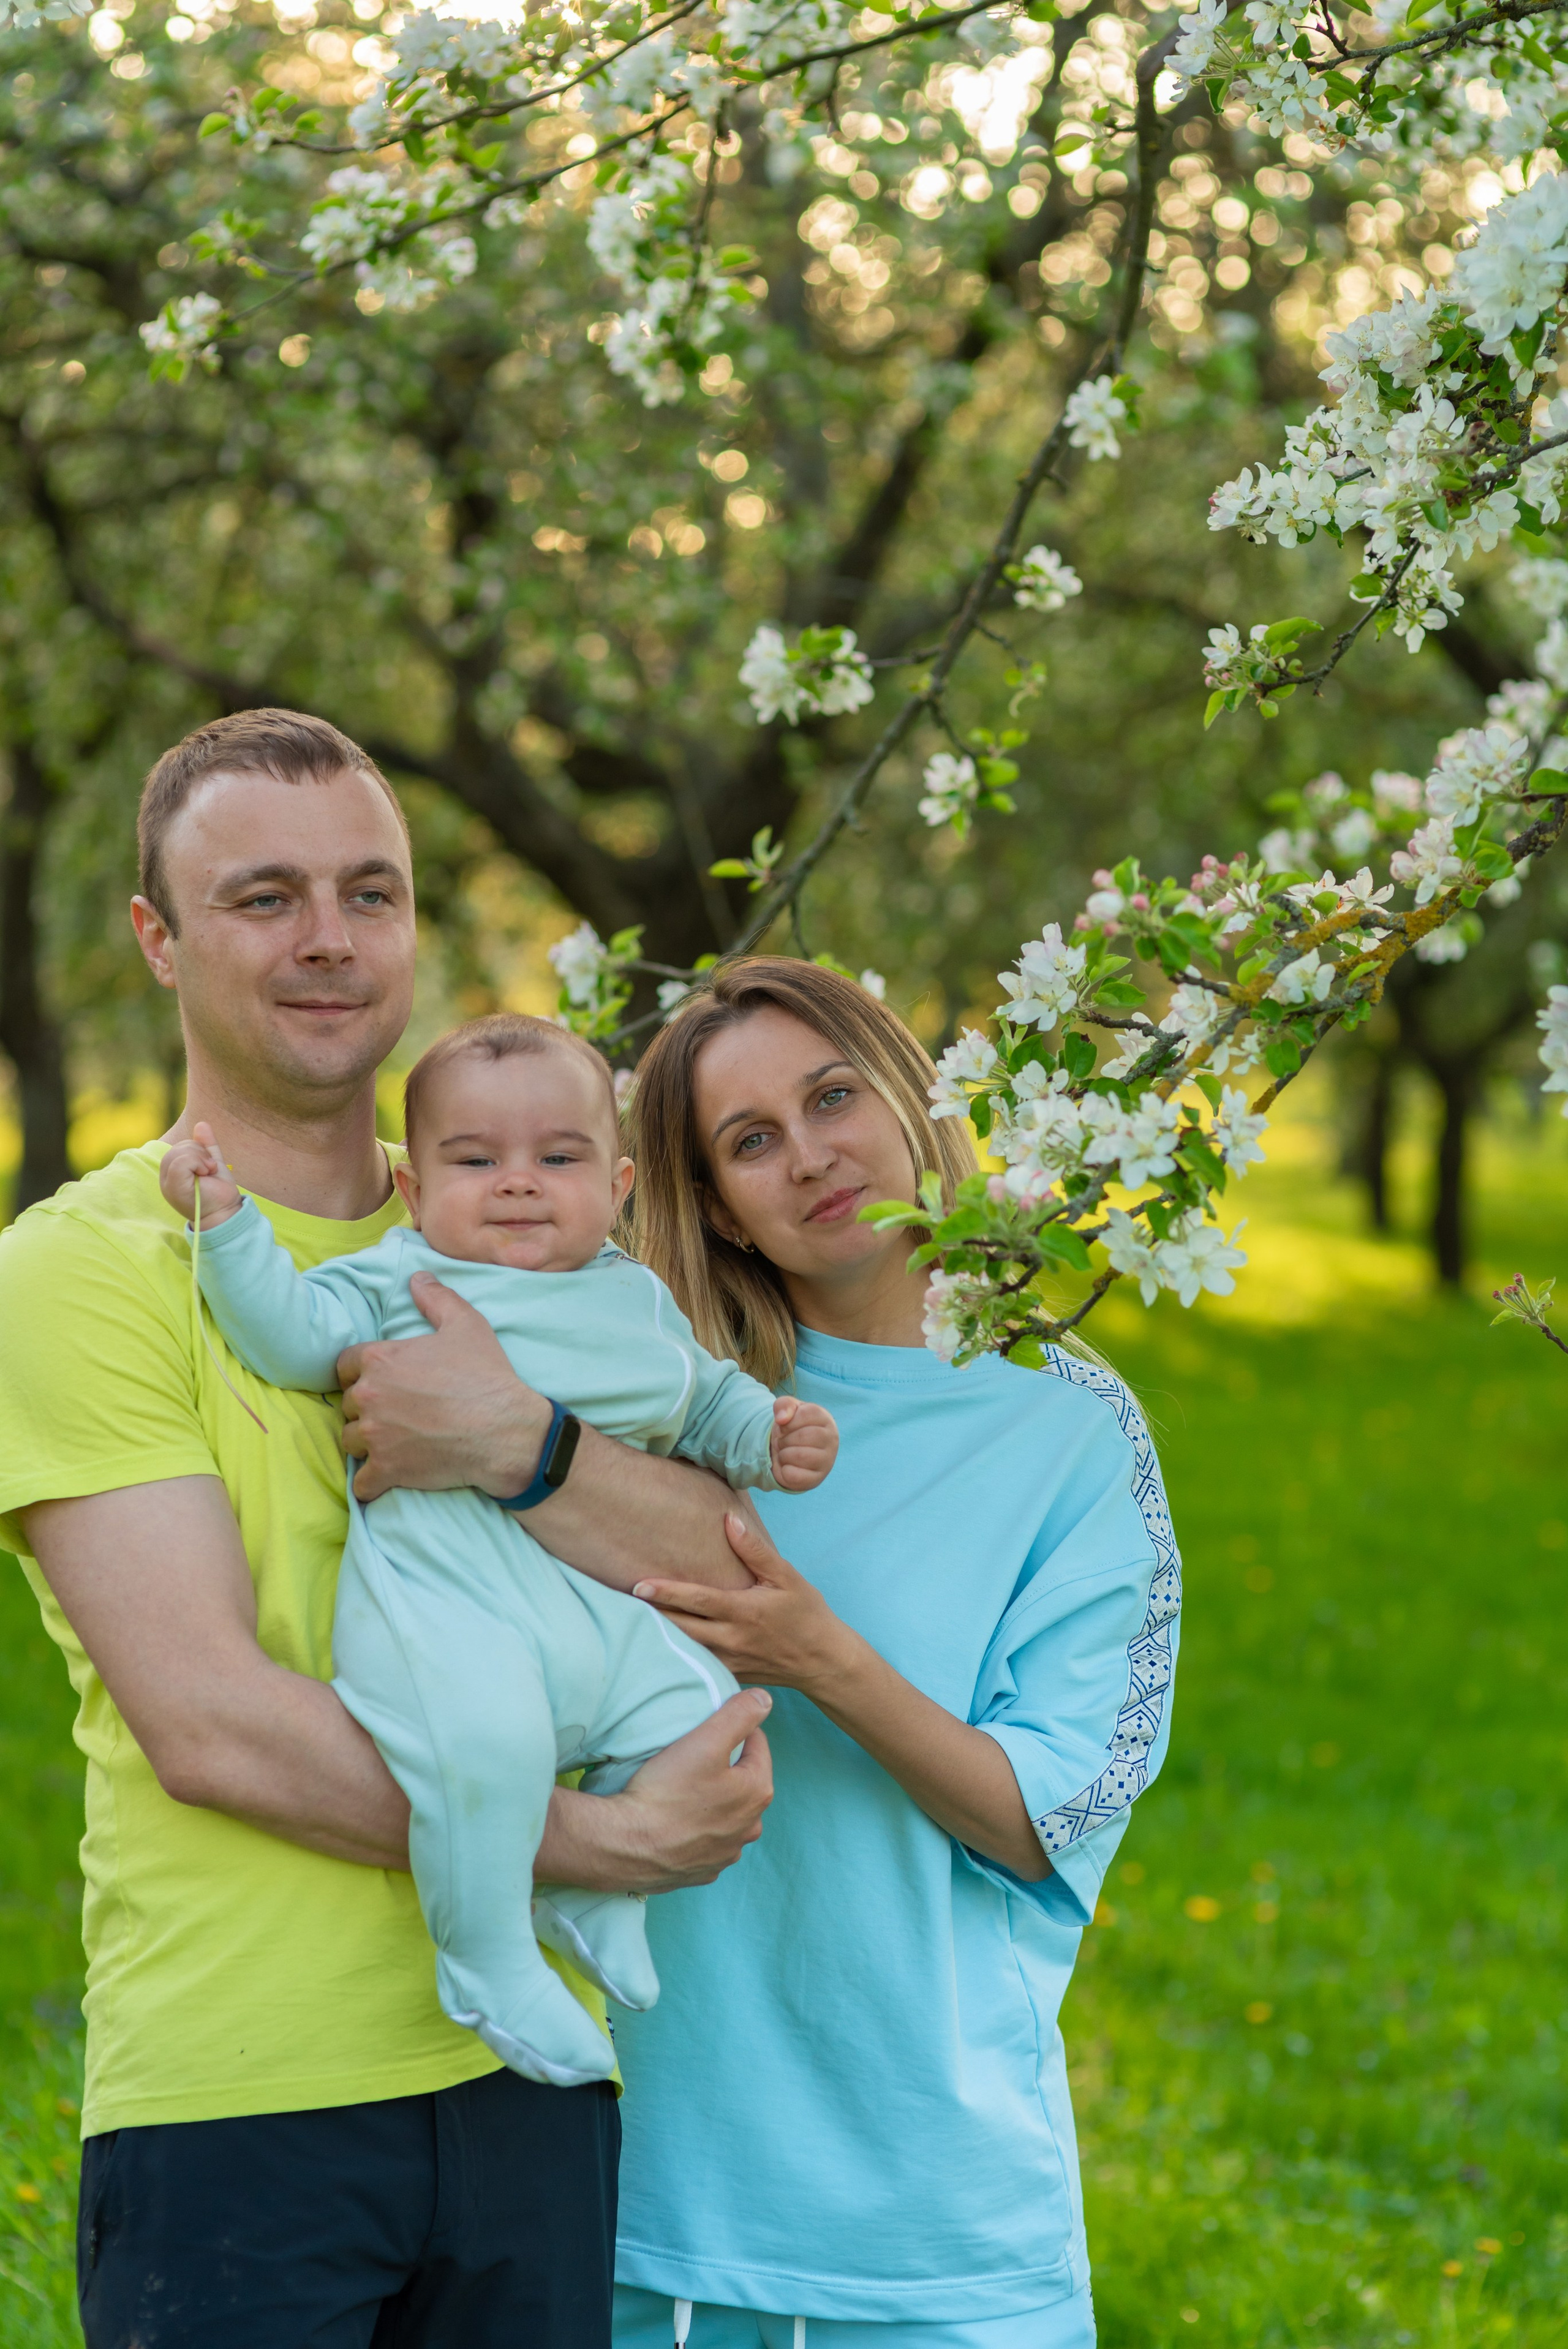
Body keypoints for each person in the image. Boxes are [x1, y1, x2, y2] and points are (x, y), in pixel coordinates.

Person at [0, 709, 772, 2349]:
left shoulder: (543, 1221)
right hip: (241, 2098)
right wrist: (600, 1848)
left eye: (373, 891)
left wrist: (525, 1444)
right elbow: (212, 1724)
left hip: (533, 2085)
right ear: (158, 936)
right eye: (265, 897)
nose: (330, 939)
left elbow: (731, 1575)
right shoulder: (85, 1266)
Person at [608, 959, 1183, 2349]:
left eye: (830, 1096)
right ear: (718, 1205)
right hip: (662, 2197)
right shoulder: (659, 1404)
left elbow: (1045, 1828)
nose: (807, 1156)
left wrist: (827, 1660)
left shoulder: (1071, 1429)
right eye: (749, 1141)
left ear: (910, 1098)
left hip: (936, 2220)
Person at [159, 1013, 835, 2086]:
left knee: (695, 1711)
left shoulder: (636, 1298)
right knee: (493, 1742)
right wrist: (229, 1226)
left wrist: (764, 1434)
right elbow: (287, 1331)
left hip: (596, 1612)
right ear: (418, 1190)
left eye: (556, 1159)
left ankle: (590, 1892)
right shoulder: (401, 1278)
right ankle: (485, 1955)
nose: (517, 1183)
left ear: (616, 1187)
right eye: (476, 1161)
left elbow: (701, 1398)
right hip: (450, 1605)